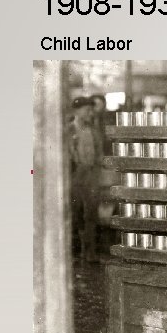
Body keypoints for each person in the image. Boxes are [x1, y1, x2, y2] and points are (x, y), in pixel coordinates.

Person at [67, 96, 104, 263]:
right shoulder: (69, 130)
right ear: (77, 111)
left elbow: (99, 153)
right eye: (87, 110)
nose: (90, 113)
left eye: (91, 110)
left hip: (91, 176)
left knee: (91, 214)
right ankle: (72, 254)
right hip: (74, 177)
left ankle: (89, 253)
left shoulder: (94, 130)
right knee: (74, 214)